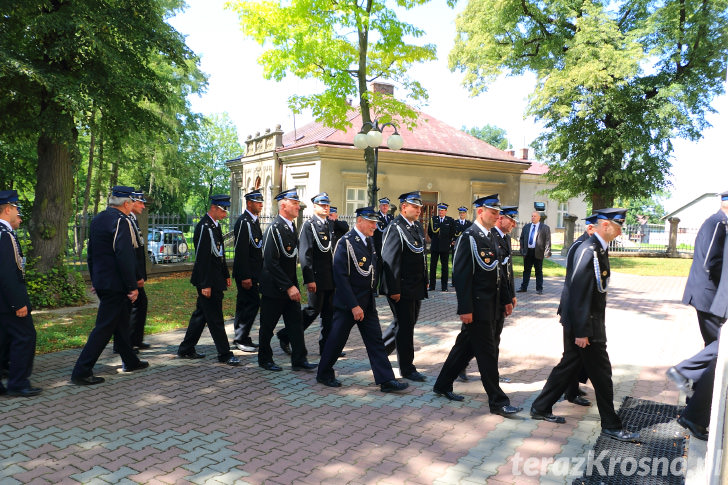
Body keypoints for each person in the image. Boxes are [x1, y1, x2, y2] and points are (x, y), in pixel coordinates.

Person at [530, 209, 641, 442]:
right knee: (602, 374)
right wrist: (582, 331)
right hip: (586, 327)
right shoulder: (589, 250)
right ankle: (611, 424)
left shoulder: (598, 248)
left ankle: (541, 407)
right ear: (605, 225)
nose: (621, 229)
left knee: (568, 366)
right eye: (618, 224)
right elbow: (577, 292)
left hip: (588, 323)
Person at [433, 195, 521, 417]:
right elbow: (461, 276)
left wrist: (505, 300)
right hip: (478, 308)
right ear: (480, 211)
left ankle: (442, 384)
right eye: (493, 212)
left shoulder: (491, 236)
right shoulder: (469, 237)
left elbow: (499, 273)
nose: (497, 216)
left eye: (498, 212)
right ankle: (498, 401)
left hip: (492, 306)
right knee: (487, 353)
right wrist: (465, 309)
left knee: (464, 348)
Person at [316, 207, 409, 393]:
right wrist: (353, 305)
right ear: (359, 221)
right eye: (371, 222)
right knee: (336, 340)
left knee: (375, 341)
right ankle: (324, 373)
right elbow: (340, 277)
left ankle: (386, 380)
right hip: (349, 304)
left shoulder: (369, 241)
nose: (375, 226)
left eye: (375, 222)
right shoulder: (346, 242)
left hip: (367, 302)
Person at [71, 186, 149, 385]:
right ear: (125, 203)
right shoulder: (121, 221)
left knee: (122, 323)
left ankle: (130, 361)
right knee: (104, 328)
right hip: (116, 285)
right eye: (132, 202)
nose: (133, 205)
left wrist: (96, 280)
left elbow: (92, 254)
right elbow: (124, 256)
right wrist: (132, 286)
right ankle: (81, 371)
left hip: (105, 281)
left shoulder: (99, 218)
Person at [667, 191, 728, 394]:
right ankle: (683, 371)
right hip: (708, 296)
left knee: (714, 348)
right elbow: (712, 262)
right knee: (720, 346)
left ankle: (696, 404)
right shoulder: (719, 223)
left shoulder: (719, 222)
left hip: (709, 295)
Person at [257, 188, 317, 372]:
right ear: (283, 205)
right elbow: (270, 262)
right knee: (267, 326)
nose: (298, 206)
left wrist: (296, 285)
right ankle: (264, 359)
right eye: (295, 203)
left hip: (289, 287)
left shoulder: (290, 227)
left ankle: (299, 359)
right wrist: (289, 286)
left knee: (295, 324)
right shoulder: (274, 228)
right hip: (274, 288)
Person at [177, 195, 240, 366]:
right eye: (223, 209)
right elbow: (202, 259)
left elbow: (219, 255)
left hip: (215, 279)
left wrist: (225, 275)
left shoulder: (214, 226)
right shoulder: (205, 227)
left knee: (201, 315)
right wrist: (205, 284)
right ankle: (224, 354)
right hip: (207, 281)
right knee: (215, 318)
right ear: (214, 208)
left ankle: (186, 348)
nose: (226, 213)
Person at [458, 205, 518, 383]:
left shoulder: (502, 238)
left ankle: (452, 376)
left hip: (498, 296)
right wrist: (465, 306)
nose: (513, 224)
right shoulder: (477, 236)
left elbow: (506, 270)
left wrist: (510, 295)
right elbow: (464, 275)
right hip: (481, 300)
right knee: (473, 340)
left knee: (490, 338)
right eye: (511, 219)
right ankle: (484, 379)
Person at [278, 192, 335, 355]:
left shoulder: (329, 225)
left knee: (329, 314)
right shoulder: (309, 225)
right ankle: (286, 335)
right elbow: (305, 254)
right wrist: (309, 279)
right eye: (322, 205)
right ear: (315, 206)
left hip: (330, 278)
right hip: (317, 277)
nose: (326, 207)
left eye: (327, 205)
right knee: (312, 311)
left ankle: (326, 347)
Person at [380, 191, 428, 382]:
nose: (418, 210)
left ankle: (379, 352)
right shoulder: (395, 227)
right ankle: (407, 369)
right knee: (406, 327)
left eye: (419, 207)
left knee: (404, 324)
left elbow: (421, 256)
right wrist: (394, 289)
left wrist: (425, 278)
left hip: (415, 286)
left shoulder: (415, 226)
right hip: (401, 288)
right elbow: (389, 261)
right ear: (403, 207)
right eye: (414, 207)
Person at [557, 213, 600, 407]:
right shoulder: (580, 246)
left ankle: (571, 387)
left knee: (575, 355)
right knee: (571, 354)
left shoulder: (589, 245)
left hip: (578, 309)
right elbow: (574, 283)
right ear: (590, 228)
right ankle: (568, 391)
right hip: (572, 309)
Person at [0, 190, 41, 396]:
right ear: (7, 209)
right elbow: (7, 273)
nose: (18, 212)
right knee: (25, 337)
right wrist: (18, 303)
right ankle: (18, 383)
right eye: (16, 208)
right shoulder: (4, 234)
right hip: (7, 301)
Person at [231, 189, 264, 352]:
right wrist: (245, 276)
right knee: (251, 303)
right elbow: (242, 252)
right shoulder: (244, 222)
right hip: (247, 274)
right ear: (249, 203)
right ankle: (241, 338)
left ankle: (241, 336)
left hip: (254, 272)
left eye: (261, 201)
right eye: (257, 202)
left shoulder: (253, 221)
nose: (261, 204)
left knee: (244, 304)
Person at [128, 190, 150, 351]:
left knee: (140, 304)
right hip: (131, 276)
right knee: (132, 307)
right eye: (140, 202)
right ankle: (128, 342)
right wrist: (136, 276)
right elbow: (130, 253)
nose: (143, 206)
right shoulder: (127, 220)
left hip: (137, 274)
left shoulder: (133, 219)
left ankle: (135, 340)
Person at [518, 210, 551, 295]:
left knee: (538, 271)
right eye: (532, 216)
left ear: (539, 218)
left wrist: (547, 252)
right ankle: (523, 287)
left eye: (535, 216)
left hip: (538, 252)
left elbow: (547, 240)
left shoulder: (545, 228)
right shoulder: (526, 227)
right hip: (528, 252)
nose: (533, 217)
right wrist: (522, 249)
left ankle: (539, 289)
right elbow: (521, 239)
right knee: (526, 271)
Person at [428, 203, 455, 291]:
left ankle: (444, 287)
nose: (441, 212)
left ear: (446, 211)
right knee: (433, 267)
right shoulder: (433, 219)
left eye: (442, 210)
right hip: (435, 246)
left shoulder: (450, 220)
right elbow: (430, 232)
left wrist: (447, 242)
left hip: (445, 247)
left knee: (445, 267)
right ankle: (432, 286)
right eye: (439, 210)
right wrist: (436, 240)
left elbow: (452, 232)